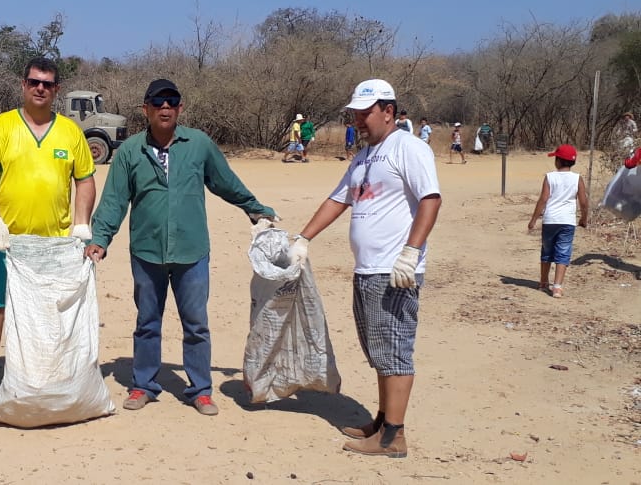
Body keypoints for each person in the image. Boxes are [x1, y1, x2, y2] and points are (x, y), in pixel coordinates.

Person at [86, 78, 278, 417]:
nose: (165, 107)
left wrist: (254, 208)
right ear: (145, 109)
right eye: (158, 102)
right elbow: (114, 200)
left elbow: (225, 182)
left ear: (180, 108)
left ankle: (200, 390)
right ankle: (144, 385)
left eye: (171, 101)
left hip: (192, 252)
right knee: (147, 322)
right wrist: (100, 238)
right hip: (146, 252)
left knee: (196, 323)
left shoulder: (198, 144)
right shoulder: (130, 151)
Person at [289, 78, 441, 458]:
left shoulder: (409, 148)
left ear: (388, 111)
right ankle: (383, 421)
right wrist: (303, 238)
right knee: (379, 349)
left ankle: (393, 437)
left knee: (395, 349)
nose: (358, 120)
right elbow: (338, 200)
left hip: (395, 270)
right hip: (367, 270)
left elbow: (431, 199)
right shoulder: (363, 157)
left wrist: (411, 251)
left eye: (364, 113)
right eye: (355, 113)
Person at [0, 57, 96, 422]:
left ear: (56, 90)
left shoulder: (70, 133)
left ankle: (45, 389)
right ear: (23, 85)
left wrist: (82, 225)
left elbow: (84, 179)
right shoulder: (1, 127)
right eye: (34, 82)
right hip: (2, 244)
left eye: (47, 84)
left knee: (48, 321)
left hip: (52, 249)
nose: (40, 88)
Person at [527, 144, 588, 299]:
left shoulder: (550, 177)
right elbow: (583, 202)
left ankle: (543, 282)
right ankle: (557, 287)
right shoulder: (577, 178)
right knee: (563, 252)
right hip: (567, 221)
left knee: (547, 250)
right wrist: (583, 218)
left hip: (550, 220)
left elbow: (543, 199)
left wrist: (533, 219)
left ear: (558, 161)